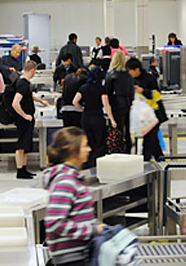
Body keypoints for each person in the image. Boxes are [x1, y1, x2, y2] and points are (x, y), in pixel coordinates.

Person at [43, 127, 107, 266]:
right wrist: (91, 230)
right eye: (85, 146)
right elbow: (54, 222)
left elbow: (78, 214)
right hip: (71, 260)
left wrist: (96, 224)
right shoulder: (65, 181)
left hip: (80, 255)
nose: (89, 149)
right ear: (72, 149)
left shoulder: (73, 178)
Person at [12, 61, 49, 179]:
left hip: (27, 118)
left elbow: (28, 95)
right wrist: (24, 115)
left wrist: (40, 101)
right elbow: (15, 103)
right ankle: (19, 170)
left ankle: (24, 169)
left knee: (26, 145)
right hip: (23, 120)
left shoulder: (23, 82)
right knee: (21, 145)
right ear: (33, 70)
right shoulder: (22, 83)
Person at [73, 67, 117, 167]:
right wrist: (112, 119)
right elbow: (106, 105)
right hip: (97, 117)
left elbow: (74, 101)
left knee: (88, 141)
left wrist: (81, 108)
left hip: (86, 118)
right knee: (99, 142)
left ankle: (88, 163)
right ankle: (97, 163)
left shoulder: (83, 87)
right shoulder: (101, 89)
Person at [126, 58, 168, 162]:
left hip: (154, 114)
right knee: (152, 140)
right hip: (144, 116)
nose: (129, 73)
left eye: (130, 71)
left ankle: (146, 162)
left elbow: (156, 95)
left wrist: (143, 91)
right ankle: (160, 159)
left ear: (136, 69)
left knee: (149, 141)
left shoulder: (149, 78)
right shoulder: (131, 80)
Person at [105, 51, 134, 153]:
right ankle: (128, 151)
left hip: (116, 106)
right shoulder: (129, 75)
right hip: (127, 105)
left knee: (118, 130)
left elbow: (106, 93)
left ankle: (118, 150)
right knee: (128, 131)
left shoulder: (110, 75)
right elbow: (131, 91)